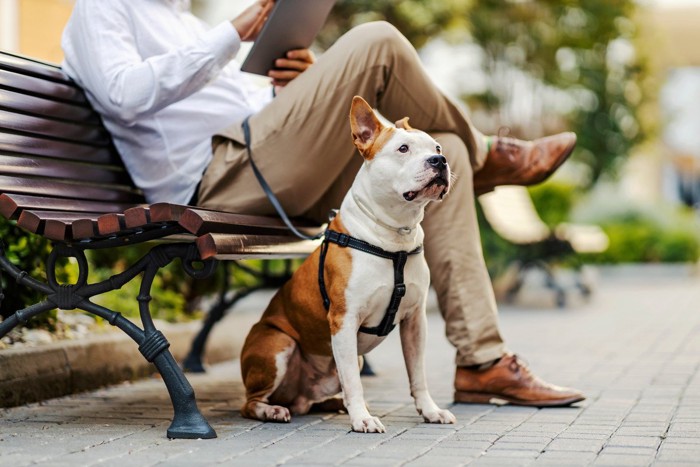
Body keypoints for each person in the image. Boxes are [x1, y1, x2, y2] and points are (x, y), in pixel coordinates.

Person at [61, 0, 584, 407]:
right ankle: (493, 152)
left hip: (256, 163)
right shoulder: (103, 7)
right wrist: (231, 36)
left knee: (447, 146)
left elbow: (225, 107)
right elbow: (123, 93)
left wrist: (294, 87)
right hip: (215, 182)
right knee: (378, 41)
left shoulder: (176, 18)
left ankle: (482, 361)